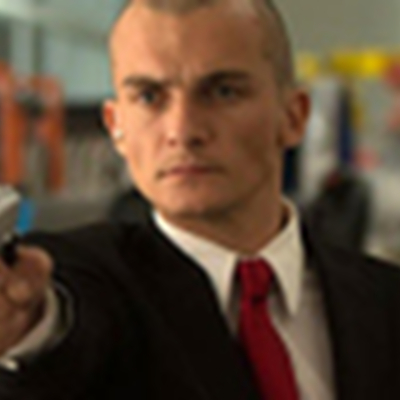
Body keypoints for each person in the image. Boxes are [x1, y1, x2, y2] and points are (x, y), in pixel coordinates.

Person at [0, 0, 399, 399]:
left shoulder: (384, 301)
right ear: (116, 125)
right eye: (149, 97)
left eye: (223, 92)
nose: (183, 130)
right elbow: (60, 334)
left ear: (293, 116)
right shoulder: (82, 281)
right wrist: (30, 326)